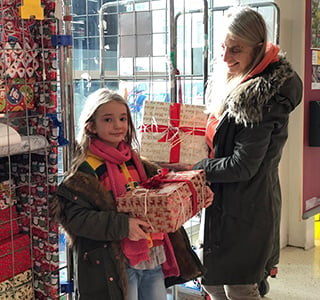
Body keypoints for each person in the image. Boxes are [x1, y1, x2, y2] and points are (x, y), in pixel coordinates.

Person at [189, 6, 303, 300]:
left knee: (238, 286)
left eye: (236, 49)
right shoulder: (236, 81)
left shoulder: (262, 98)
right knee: (213, 283)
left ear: (258, 47)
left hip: (246, 208)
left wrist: (195, 166)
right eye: (223, 47)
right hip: (223, 204)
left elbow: (243, 166)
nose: (225, 57)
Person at [51, 88, 204, 300]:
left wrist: (184, 189)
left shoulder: (138, 162)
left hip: (151, 255)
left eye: (123, 118)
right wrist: (123, 226)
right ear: (90, 126)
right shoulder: (84, 172)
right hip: (115, 264)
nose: (118, 125)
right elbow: (76, 220)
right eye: (108, 119)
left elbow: (156, 199)